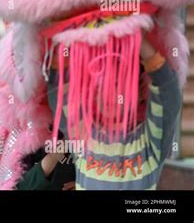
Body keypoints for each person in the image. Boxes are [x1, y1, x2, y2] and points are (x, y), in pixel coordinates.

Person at [47, 36, 182, 190]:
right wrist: (64, 34)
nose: (110, 94)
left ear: (139, 92)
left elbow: (168, 93)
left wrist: (138, 35)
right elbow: (59, 87)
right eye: (102, 85)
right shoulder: (83, 136)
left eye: (119, 84)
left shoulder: (150, 142)